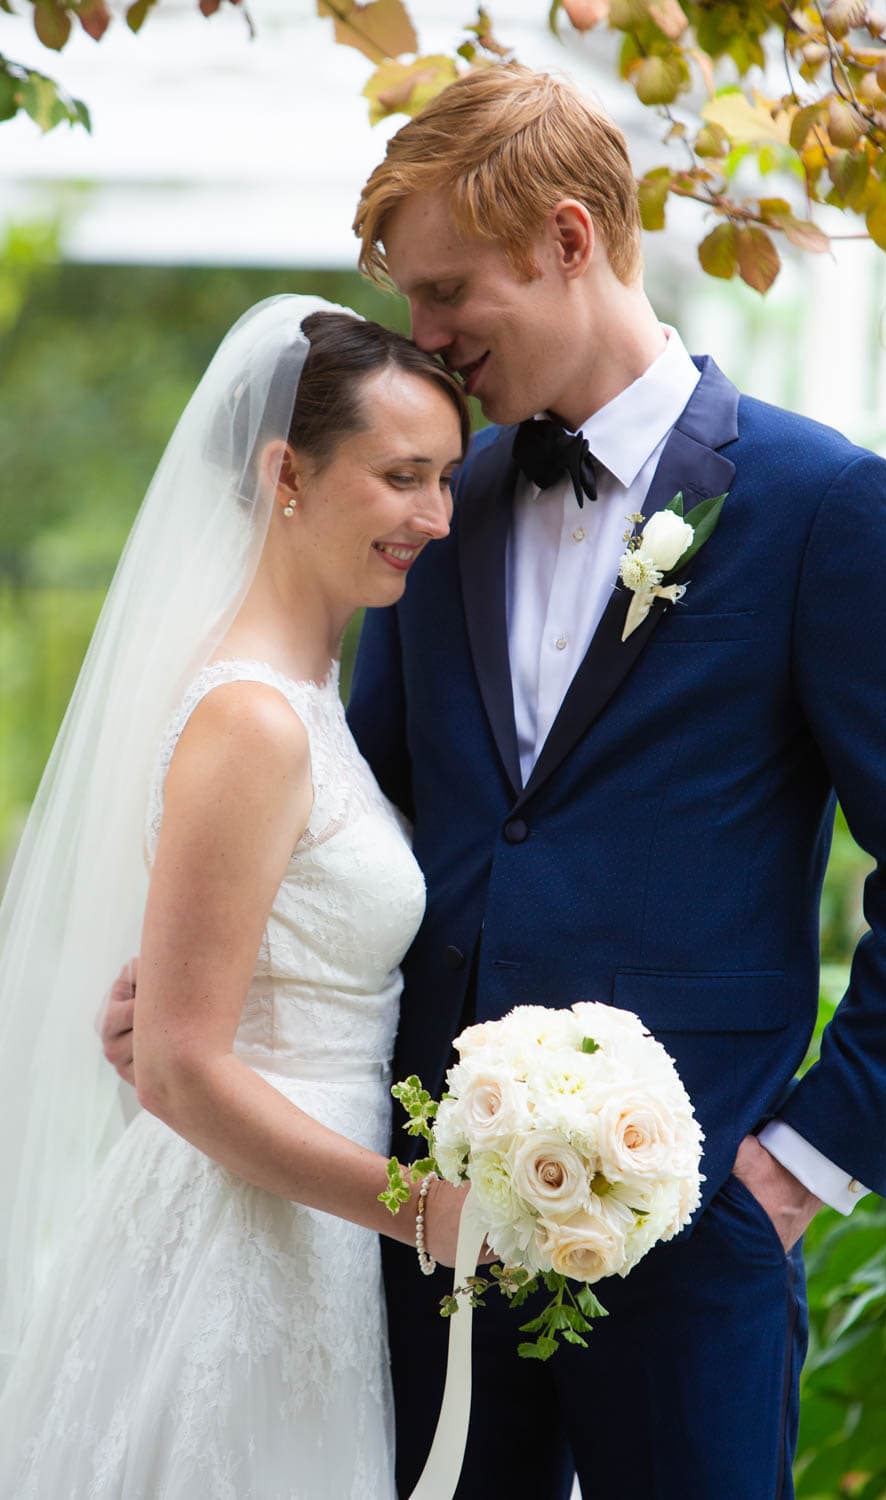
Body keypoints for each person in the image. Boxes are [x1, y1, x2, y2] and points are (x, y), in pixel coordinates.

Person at [341, 65, 886, 1498]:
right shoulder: (434, 504)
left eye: (447, 292)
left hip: (696, 1225)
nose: (425, 338)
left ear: (569, 240)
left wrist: (800, 1169)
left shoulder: (822, 505)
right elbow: (361, 802)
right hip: (434, 1222)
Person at [0, 295, 472, 1498]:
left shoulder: (312, 688)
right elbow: (178, 1066)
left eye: (446, 480)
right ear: (286, 473)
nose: (436, 517)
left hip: (307, 1228)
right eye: (402, 477)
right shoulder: (253, 719)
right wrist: (429, 1214)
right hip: (236, 1241)